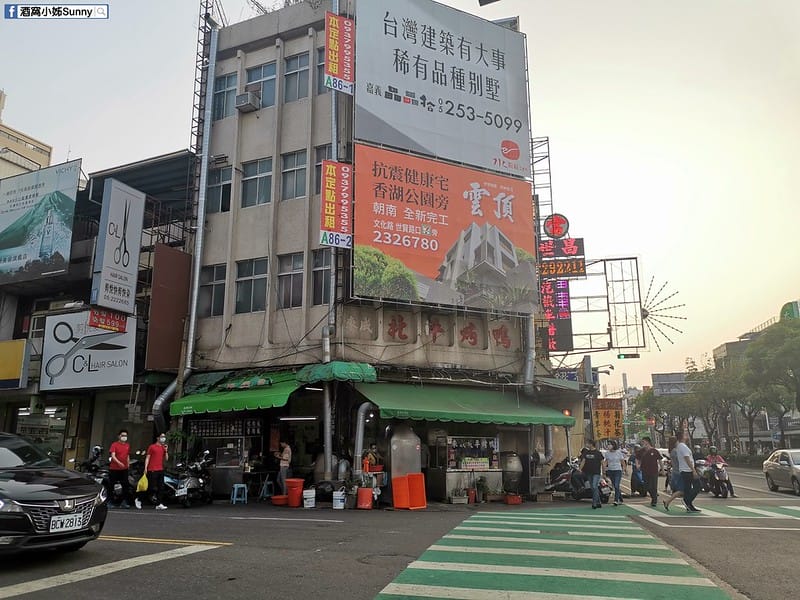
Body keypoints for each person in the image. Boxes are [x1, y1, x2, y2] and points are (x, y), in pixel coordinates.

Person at [135, 433, 169, 510]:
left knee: (161, 487)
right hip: (152, 469)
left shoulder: (163, 448)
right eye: (162, 437)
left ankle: (159, 503)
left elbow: (166, 459)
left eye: (164, 437)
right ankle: (139, 499)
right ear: (157, 438)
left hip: (160, 469)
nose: (163, 438)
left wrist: (166, 451)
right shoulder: (152, 447)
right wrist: (146, 468)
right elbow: (148, 457)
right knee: (150, 487)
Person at [676, 431, 701, 512]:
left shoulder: (681, 446)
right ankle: (687, 501)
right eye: (685, 434)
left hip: (685, 470)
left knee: (688, 488)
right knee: (698, 486)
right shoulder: (682, 446)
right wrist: (693, 470)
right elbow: (687, 459)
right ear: (682, 436)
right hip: (687, 470)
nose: (687, 436)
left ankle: (689, 505)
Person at [108, 429, 131, 509]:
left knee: (125, 485)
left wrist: (128, 464)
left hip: (124, 469)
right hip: (114, 468)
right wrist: (118, 463)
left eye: (125, 436)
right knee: (111, 484)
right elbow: (113, 456)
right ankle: (110, 501)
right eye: (122, 435)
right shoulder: (114, 444)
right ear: (119, 436)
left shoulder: (127, 445)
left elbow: (127, 455)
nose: (124, 437)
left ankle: (124, 501)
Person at [579, 439, 604, 509]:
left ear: (591, 444)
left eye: (587, 443)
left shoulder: (598, 453)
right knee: (593, 488)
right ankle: (598, 502)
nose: (586, 445)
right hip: (588, 472)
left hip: (596, 472)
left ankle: (594, 503)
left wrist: (604, 472)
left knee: (594, 486)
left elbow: (602, 463)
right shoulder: (586, 452)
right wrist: (580, 469)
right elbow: (583, 461)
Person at [663, 435, 684, 511]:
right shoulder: (675, 451)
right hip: (678, 472)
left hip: (675, 471)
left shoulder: (671, 451)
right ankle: (667, 501)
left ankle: (668, 501)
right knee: (681, 490)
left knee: (681, 490)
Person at [638, 437, 661, 507]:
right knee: (647, 486)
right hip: (644, 471)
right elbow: (637, 458)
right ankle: (653, 496)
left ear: (647, 442)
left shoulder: (654, 451)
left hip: (653, 471)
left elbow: (660, 460)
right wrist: (637, 465)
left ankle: (654, 500)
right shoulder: (641, 451)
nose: (642, 443)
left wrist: (662, 470)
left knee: (653, 486)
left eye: (643, 441)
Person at [604, 440, 626, 506]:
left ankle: (616, 500)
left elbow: (622, 462)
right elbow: (606, 462)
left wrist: (624, 470)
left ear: (613, 445)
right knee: (615, 486)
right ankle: (621, 499)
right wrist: (604, 470)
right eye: (608, 444)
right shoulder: (607, 453)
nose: (608, 446)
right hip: (610, 470)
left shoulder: (618, 452)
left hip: (618, 470)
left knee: (616, 485)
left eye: (610, 444)